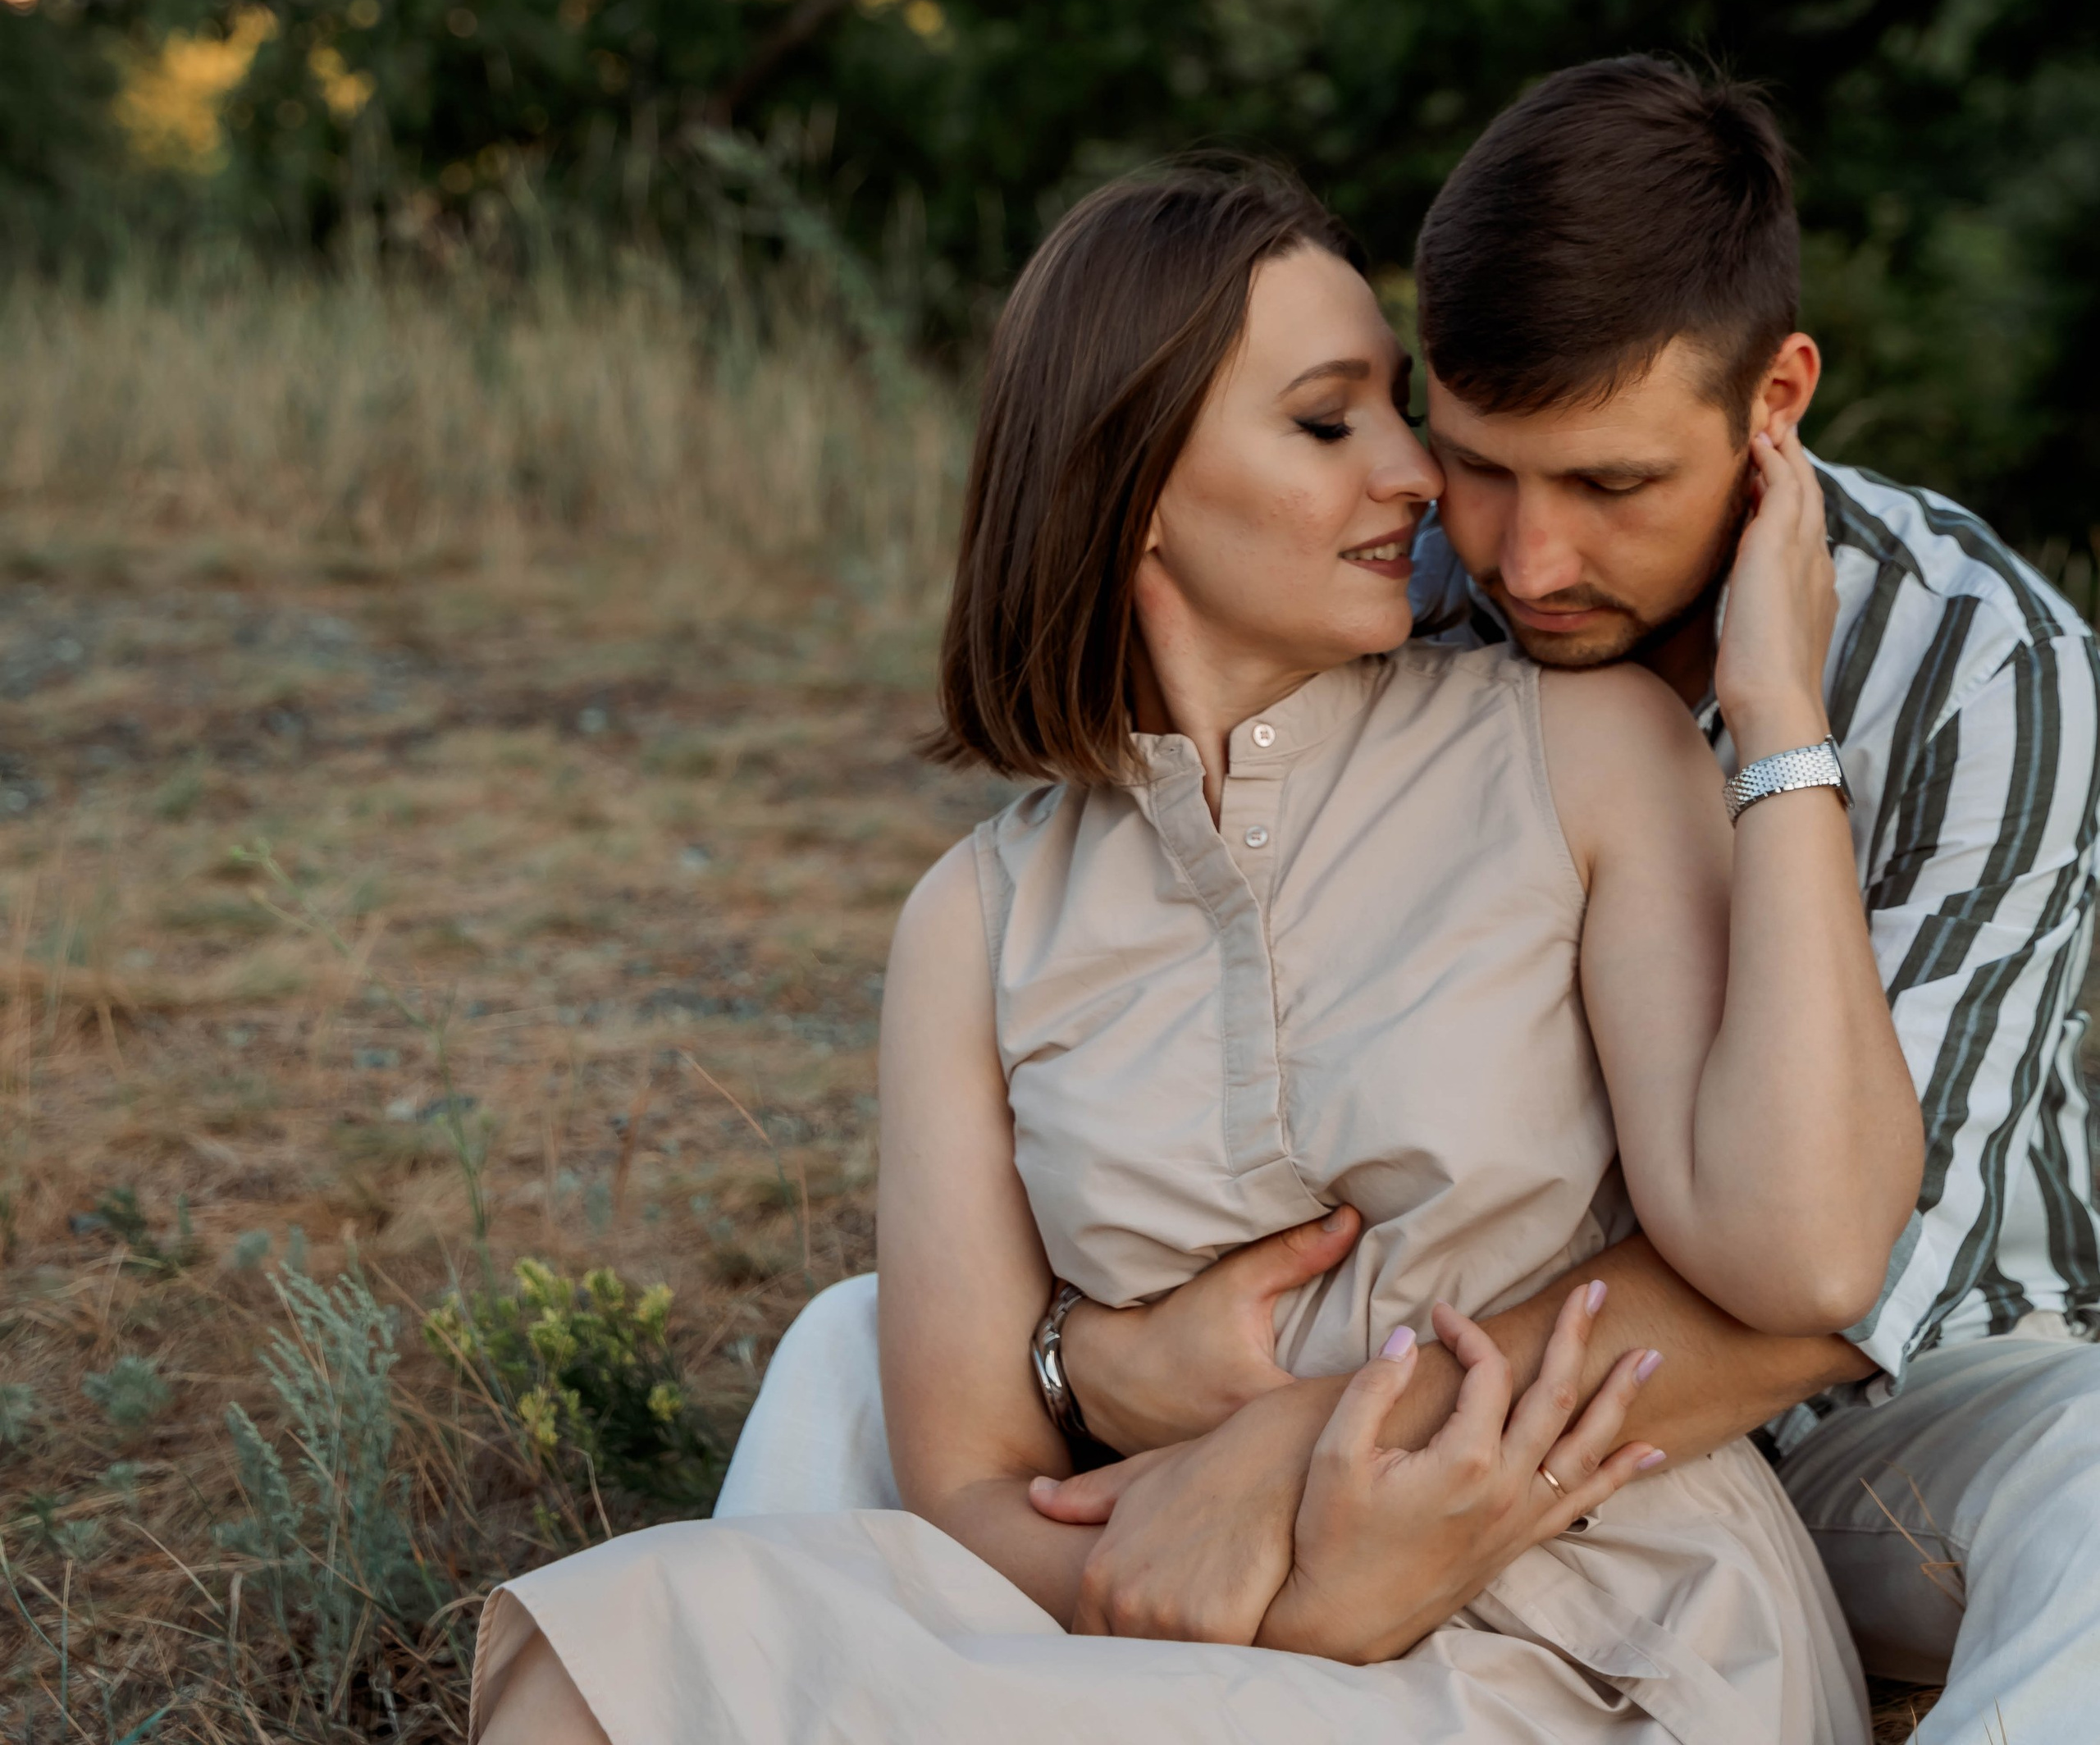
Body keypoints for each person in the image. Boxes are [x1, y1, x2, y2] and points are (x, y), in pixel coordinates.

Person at [472, 154, 1920, 1743]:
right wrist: (1281, 1610)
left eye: (1394, 405)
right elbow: (966, 1483)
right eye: (1327, 421)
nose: (1418, 477)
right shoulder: (977, 918)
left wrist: (1778, 721)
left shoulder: (1585, 754)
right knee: (597, 1655)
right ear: (1135, 482)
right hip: (1182, 1626)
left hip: (1595, 1628)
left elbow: (1799, 1257)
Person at [1025, 64, 2100, 1745]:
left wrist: (1303, 1433)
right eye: (1474, 466)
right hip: (1421, 1384)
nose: (1522, 565)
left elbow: (1840, 1289)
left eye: (1609, 486)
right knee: (844, 1354)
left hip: (1872, 1417)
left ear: (1776, 396)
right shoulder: (1395, 602)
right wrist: (1079, 1366)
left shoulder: (1986, 667)